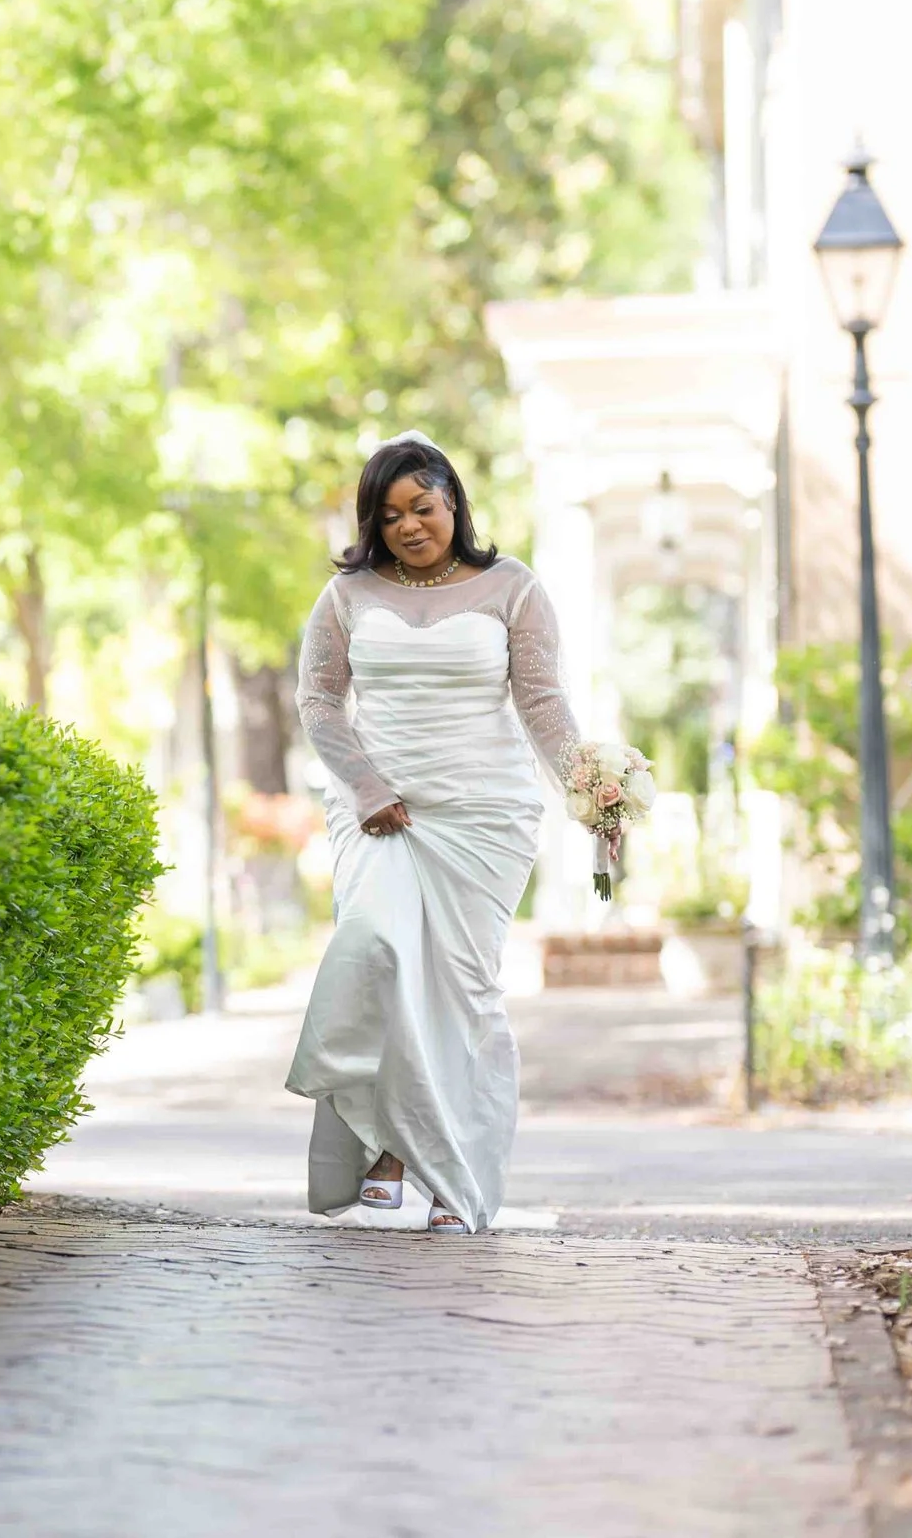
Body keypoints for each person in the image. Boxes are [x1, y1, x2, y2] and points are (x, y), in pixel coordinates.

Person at [283, 432, 582, 1233]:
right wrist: (367, 784)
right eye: (389, 516)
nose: (409, 526)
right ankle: (387, 1145)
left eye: (421, 506)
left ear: (452, 499)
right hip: (378, 812)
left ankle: (456, 1176)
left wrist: (590, 790)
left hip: (485, 814)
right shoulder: (347, 594)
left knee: (460, 989)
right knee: (376, 949)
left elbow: (543, 703)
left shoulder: (512, 587)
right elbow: (319, 702)